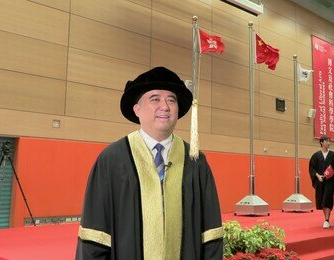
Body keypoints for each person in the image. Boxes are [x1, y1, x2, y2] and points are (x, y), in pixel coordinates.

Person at [75, 67, 223, 260]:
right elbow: (94, 235)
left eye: (172, 100)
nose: (165, 106)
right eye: (155, 99)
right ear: (137, 109)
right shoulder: (112, 160)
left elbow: (210, 232)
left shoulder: (195, 160)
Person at [309, 136, 334, 228]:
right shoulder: (316, 155)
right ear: (321, 142)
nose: (328, 143)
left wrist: (331, 172)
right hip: (320, 182)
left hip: (330, 181)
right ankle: (325, 219)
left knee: (328, 199)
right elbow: (312, 168)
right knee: (322, 200)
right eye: (326, 141)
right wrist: (318, 176)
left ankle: (327, 219)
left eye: (329, 141)